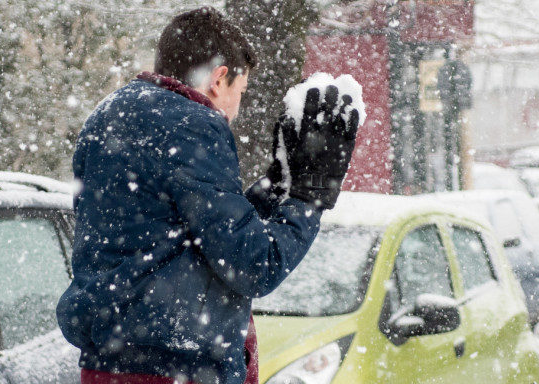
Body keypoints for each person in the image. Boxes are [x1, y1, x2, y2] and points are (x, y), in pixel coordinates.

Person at [56, 6, 359, 384]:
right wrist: (308, 199)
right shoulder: (193, 126)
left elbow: (197, 233)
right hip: (177, 367)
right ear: (218, 79)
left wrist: (277, 184)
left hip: (110, 362)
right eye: (240, 91)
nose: (236, 109)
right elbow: (255, 265)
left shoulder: (109, 116)